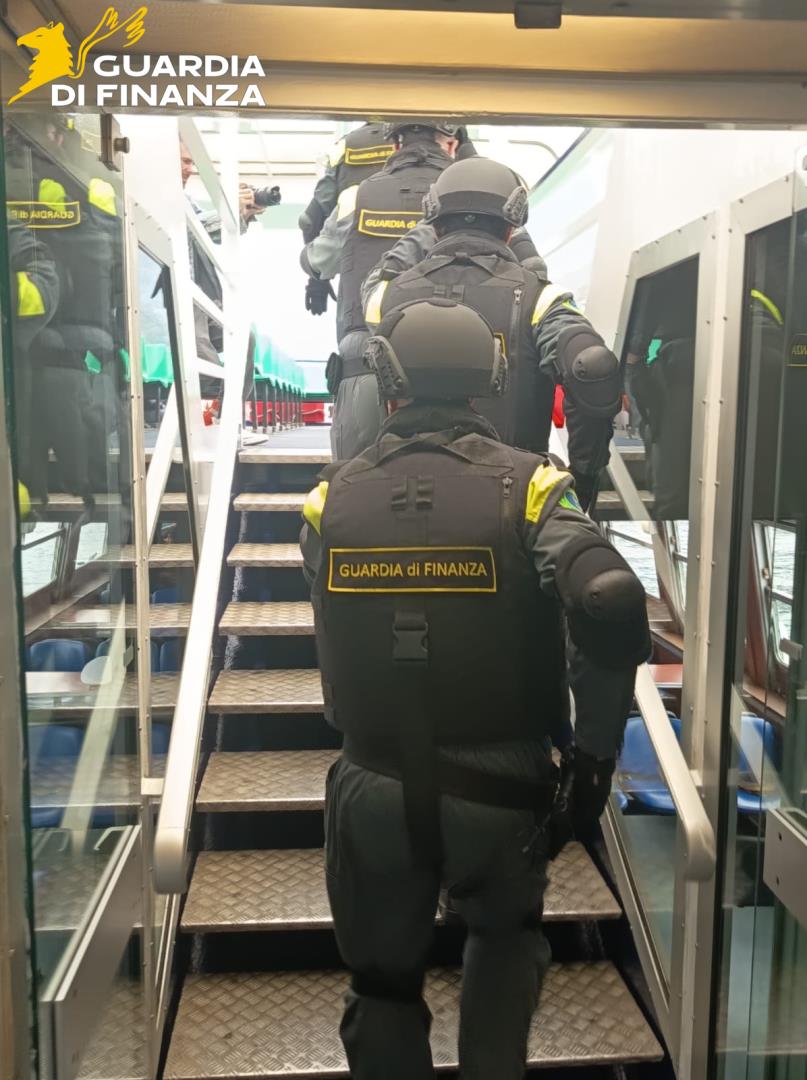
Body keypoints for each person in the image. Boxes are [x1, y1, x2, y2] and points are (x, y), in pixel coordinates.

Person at [299, 299, 651, 1080]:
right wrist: (593, 761)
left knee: (381, 987)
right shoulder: (532, 489)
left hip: (371, 783)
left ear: (385, 378)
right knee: (502, 947)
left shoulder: (329, 497)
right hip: (502, 787)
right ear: (491, 376)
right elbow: (609, 599)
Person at [362, 156, 622, 512]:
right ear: (511, 230)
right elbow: (593, 368)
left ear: (434, 226)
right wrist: (585, 476)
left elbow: (379, 275)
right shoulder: (540, 299)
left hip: (403, 503)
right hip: (514, 507)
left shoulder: (383, 297)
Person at [299, 119, 462, 459]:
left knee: (356, 478)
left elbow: (319, 261)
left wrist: (311, 266)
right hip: (457, 367)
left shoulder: (355, 196)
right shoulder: (472, 198)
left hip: (365, 360)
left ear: (395, 145)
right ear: (450, 145)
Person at [179, 141, 270, 441]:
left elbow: (211, 230)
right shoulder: (159, 195)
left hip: (200, 296)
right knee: (205, 361)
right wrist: (228, 208)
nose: (190, 169)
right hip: (176, 296)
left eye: (191, 162)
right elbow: (192, 228)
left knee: (244, 338)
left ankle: (228, 420)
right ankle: (206, 428)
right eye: (184, 161)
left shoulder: (187, 200)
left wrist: (241, 214)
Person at [299, 121, 396, 315]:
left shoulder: (346, 145)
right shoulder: (441, 143)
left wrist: (319, 279)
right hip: (428, 288)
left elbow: (311, 220)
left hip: (359, 278)